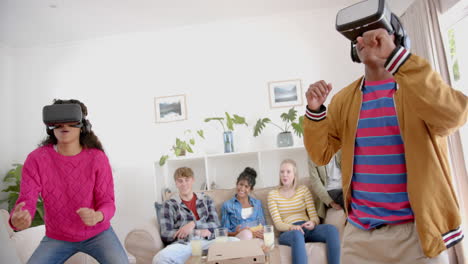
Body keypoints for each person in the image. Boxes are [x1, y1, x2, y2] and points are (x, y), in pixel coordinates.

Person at [304, 21, 467, 264]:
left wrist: (397, 58)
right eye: (358, 36)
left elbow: (455, 115)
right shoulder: (343, 100)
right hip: (359, 237)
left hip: (416, 234)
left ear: (396, 38)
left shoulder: (420, 89)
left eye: (375, 32)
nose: (365, 39)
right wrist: (315, 112)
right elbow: (320, 154)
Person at [9, 99, 128, 264]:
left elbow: (107, 202)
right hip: (57, 237)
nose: (64, 125)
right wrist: (18, 218)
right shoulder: (36, 159)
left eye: (71, 121)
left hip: (98, 234)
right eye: (58, 122)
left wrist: (98, 216)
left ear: (82, 126)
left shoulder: (97, 158)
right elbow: (26, 200)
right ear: (50, 126)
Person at [153, 167, 238, 264]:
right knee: (159, 258)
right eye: (180, 181)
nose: (184, 184)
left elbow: (215, 224)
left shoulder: (206, 200)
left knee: (235, 242)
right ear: (176, 183)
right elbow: (166, 233)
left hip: (208, 242)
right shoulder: (168, 205)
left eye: (187, 180)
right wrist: (196, 232)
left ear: (193, 180)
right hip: (185, 245)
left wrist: (194, 224)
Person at [267, 159, 340, 264]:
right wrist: (292, 227)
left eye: (288, 172)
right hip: (289, 231)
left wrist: (313, 223)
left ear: (294, 174)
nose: (284, 175)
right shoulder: (273, 195)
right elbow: (278, 224)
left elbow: (314, 216)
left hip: (306, 227)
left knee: (331, 230)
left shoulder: (303, 190)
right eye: (282, 172)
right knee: (297, 234)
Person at [221, 167, 266, 240]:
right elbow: (224, 231)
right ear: (236, 184)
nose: (242, 188)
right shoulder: (227, 205)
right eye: (241, 184)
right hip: (239, 238)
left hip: (256, 239)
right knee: (246, 234)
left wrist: (262, 234)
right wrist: (235, 233)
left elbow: (263, 225)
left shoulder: (257, 204)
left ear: (251, 189)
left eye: (246, 186)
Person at [308, 150, 343, 220]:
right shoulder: (313, 154)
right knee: (348, 199)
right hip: (330, 190)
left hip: (345, 188)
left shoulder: (341, 148)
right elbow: (316, 183)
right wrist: (331, 202)